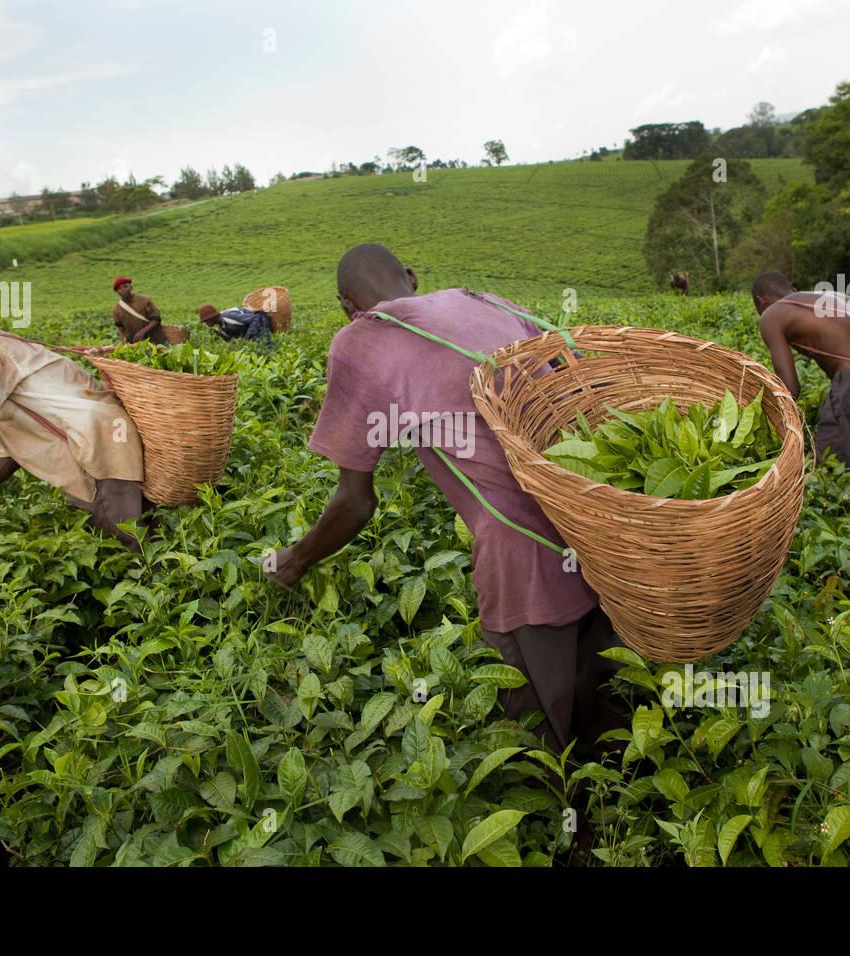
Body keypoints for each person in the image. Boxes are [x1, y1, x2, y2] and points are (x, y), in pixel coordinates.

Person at [262, 243, 627, 758]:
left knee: (539, 729)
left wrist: (293, 562)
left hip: (521, 549)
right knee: (603, 695)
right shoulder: (485, 301)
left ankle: (571, 827)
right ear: (411, 276)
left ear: (347, 305)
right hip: (600, 520)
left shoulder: (359, 341)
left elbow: (354, 503)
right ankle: (615, 812)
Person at [0, 279, 149, 552]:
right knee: (133, 532)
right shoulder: (1, 344)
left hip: (101, 440)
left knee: (131, 545)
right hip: (108, 435)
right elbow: (3, 460)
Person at [752, 270, 850, 474]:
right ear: (792, 289)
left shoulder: (772, 315)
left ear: (761, 301)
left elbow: (790, 389)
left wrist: (757, 415)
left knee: (834, 477)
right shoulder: (829, 299)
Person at [111, 277, 167, 345]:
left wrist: (142, 332)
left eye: (125, 286)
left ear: (131, 287)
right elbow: (121, 330)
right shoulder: (116, 310)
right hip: (135, 345)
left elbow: (156, 320)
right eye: (120, 288)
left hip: (156, 340)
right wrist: (124, 344)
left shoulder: (144, 300)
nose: (123, 290)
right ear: (117, 291)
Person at [198, 303, 273, 344]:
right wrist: (218, 334)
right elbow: (231, 340)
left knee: (262, 346)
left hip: (260, 320)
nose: (206, 323)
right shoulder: (221, 327)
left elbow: (256, 318)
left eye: (206, 321)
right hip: (250, 326)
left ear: (212, 317)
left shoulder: (229, 316)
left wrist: (247, 336)